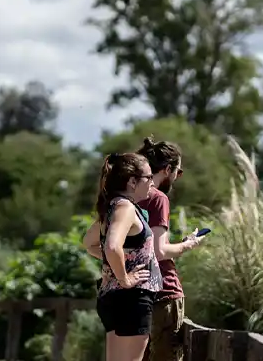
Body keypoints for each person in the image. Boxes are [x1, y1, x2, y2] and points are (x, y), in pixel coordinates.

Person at [82, 152, 162, 361]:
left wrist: (121, 264)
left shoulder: (112, 207)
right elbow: (111, 246)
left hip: (113, 297)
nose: (153, 183)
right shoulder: (125, 208)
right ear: (132, 182)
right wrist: (124, 278)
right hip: (132, 298)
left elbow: (89, 243)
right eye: (148, 177)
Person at [135, 137, 205, 361]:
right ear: (167, 170)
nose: (177, 177)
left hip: (134, 295)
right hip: (163, 294)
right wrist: (187, 244)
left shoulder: (127, 198)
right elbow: (159, 251)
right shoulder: (158, 198)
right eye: (178, 171)